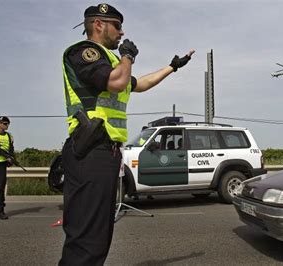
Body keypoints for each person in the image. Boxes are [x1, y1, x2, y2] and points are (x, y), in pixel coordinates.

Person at [59, 3, 194, 265]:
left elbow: (139, 84)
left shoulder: (111, 61)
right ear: (99, 24)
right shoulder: (84, 52)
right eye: (117, 26)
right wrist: (128, 56)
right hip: (91, 151)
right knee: (86, 241)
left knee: (97, 238)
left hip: (105, 153)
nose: (122, 33)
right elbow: (117, 82)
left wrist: (173, 66)